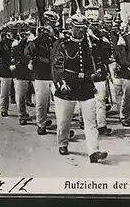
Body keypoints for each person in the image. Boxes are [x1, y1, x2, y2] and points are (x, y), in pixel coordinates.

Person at [51, 11, 108, 163]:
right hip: (68, 87)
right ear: (71, 27)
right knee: (64, 121)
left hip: (85, 88)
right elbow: (56, 67)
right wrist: (61, 84)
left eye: (83, 27)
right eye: (78, 27)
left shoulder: (89, 44)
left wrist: (95, 38)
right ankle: (63, 143)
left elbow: (102, 52)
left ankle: (93, 151)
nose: (81, 30)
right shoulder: (63, 45)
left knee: (91, 121)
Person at [25, 10, 59, 135]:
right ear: (45, 22)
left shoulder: (56, 37)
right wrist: (38, 37)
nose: (52, 25)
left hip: (54, 74)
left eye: (54, 23)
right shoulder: (37, 38)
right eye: (50, 23)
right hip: (41, 74)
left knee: (60, 101)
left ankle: (62, 126)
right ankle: (41, 124)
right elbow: (28, 52)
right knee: (41, 101)